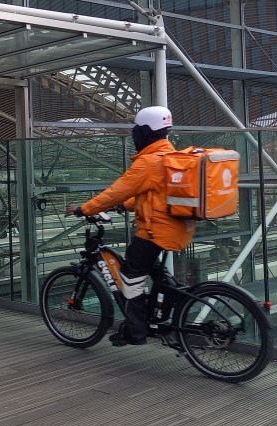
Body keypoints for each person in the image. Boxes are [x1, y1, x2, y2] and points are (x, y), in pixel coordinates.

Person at [68, 106, 196, 346]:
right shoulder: (170, 157)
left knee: (130, 274)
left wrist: (85, 209)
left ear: (145, 132)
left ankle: (136, 331)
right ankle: (160, 313)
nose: (135, 135)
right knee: (152, 270)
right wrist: (125, 206)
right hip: (177, 227)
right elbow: (154, 195)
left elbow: (116, 191)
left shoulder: (149, 162)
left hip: (156, 231)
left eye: (137, 130)